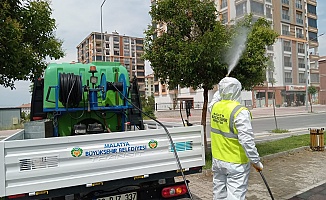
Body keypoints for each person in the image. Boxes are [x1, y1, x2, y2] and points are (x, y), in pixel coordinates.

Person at [208, 77, 263, 200]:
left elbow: (214, 100)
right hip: (236, 163)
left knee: (218, 195)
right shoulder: (240, 111)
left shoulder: (215, 108)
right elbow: (246, 140)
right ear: (238, 91)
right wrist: (255, 161)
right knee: (235, 197)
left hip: (218, 161)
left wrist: (221, 88)